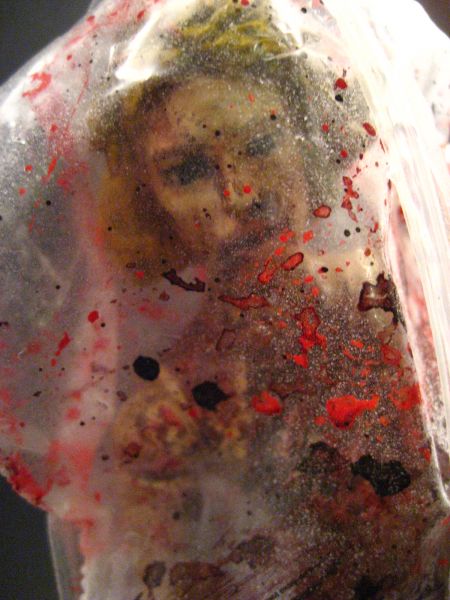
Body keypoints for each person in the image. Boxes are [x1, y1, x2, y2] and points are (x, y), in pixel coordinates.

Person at [79, 2, 448, 599]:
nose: (240, 193)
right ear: (148, 198)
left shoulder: (413, 303)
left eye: (262, 141)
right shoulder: (166, 422)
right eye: (188, 169)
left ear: (309, 133)